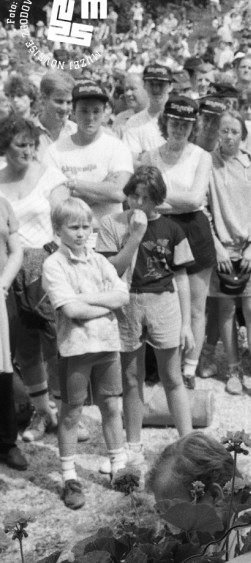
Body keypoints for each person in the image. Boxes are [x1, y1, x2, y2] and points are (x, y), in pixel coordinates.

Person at [97, 165, 195, 476]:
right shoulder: (112, 224)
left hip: (164, 300)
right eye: (134, 197)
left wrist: (187, 323)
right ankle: (133, 447)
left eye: (147, 198)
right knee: (131, 378)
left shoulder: (173, 229)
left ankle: (189, 443)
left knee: (172, 376)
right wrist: (135, 235)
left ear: (158, 200)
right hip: (128, 301)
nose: (139, 204)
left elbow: (182, 277)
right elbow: (112, 269)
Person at [42, 198, 130, 509]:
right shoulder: (54, 265)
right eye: (73, 227)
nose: (81, 233)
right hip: (76, 349)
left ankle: (119, 468)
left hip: (107, 346)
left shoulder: (100, 262)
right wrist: (101, 304)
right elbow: (72, 309)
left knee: (111, 406)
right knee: (72, 413)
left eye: (85, 226)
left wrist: (90, 298)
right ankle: (69, 476)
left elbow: (122, 296)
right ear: (58, 230)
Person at [0, 116, 71, 444]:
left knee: (58, 343)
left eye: (32, 145)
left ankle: (71, 414)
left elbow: (65, 219)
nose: (28, 151)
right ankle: (43, 412)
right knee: (25, 351)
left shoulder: (49, 176)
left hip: (47, 265)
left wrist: (56, 262)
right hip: (9, 270)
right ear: (4, 147)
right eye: (20, 145)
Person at [136, 97, 213, 389]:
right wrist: (168, 203)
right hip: (159, 231)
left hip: (194, 230)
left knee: (195, 305)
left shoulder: (201, 156)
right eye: (175, 122)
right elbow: (142, 200)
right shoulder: (150, 157)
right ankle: (162, 366)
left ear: (193, 127)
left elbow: (195, 199)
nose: (179, 129)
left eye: (185, 124)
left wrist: (161, 200)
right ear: (165, 122)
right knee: (160, 301)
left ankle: (190, 367)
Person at [206, 111, 251, 404]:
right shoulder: (207, 165)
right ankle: (233, 369)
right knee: (225, 312)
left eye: (235, 131)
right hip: (221, 250)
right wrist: (217, 247)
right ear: (217, 133)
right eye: (224, 131)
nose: (229, 136)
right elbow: (203, 208)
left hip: (249, 250)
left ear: (243, 136)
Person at [40, 82, 133, 249]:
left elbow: (119, 193)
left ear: (105, 112)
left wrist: (73, 185)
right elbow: (57, 206)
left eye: (96, 111)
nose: (90, 117)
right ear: (73, 112)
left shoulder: (117, 148)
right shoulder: (54, 152)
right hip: (68, 242)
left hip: (109, 237)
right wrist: (103, 187)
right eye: (84, 111)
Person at [0, 187, 24, 470]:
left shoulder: (3, 204)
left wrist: (2, 283)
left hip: (1, 295)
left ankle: (7, 442)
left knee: (3, 371)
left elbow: (15, 250)